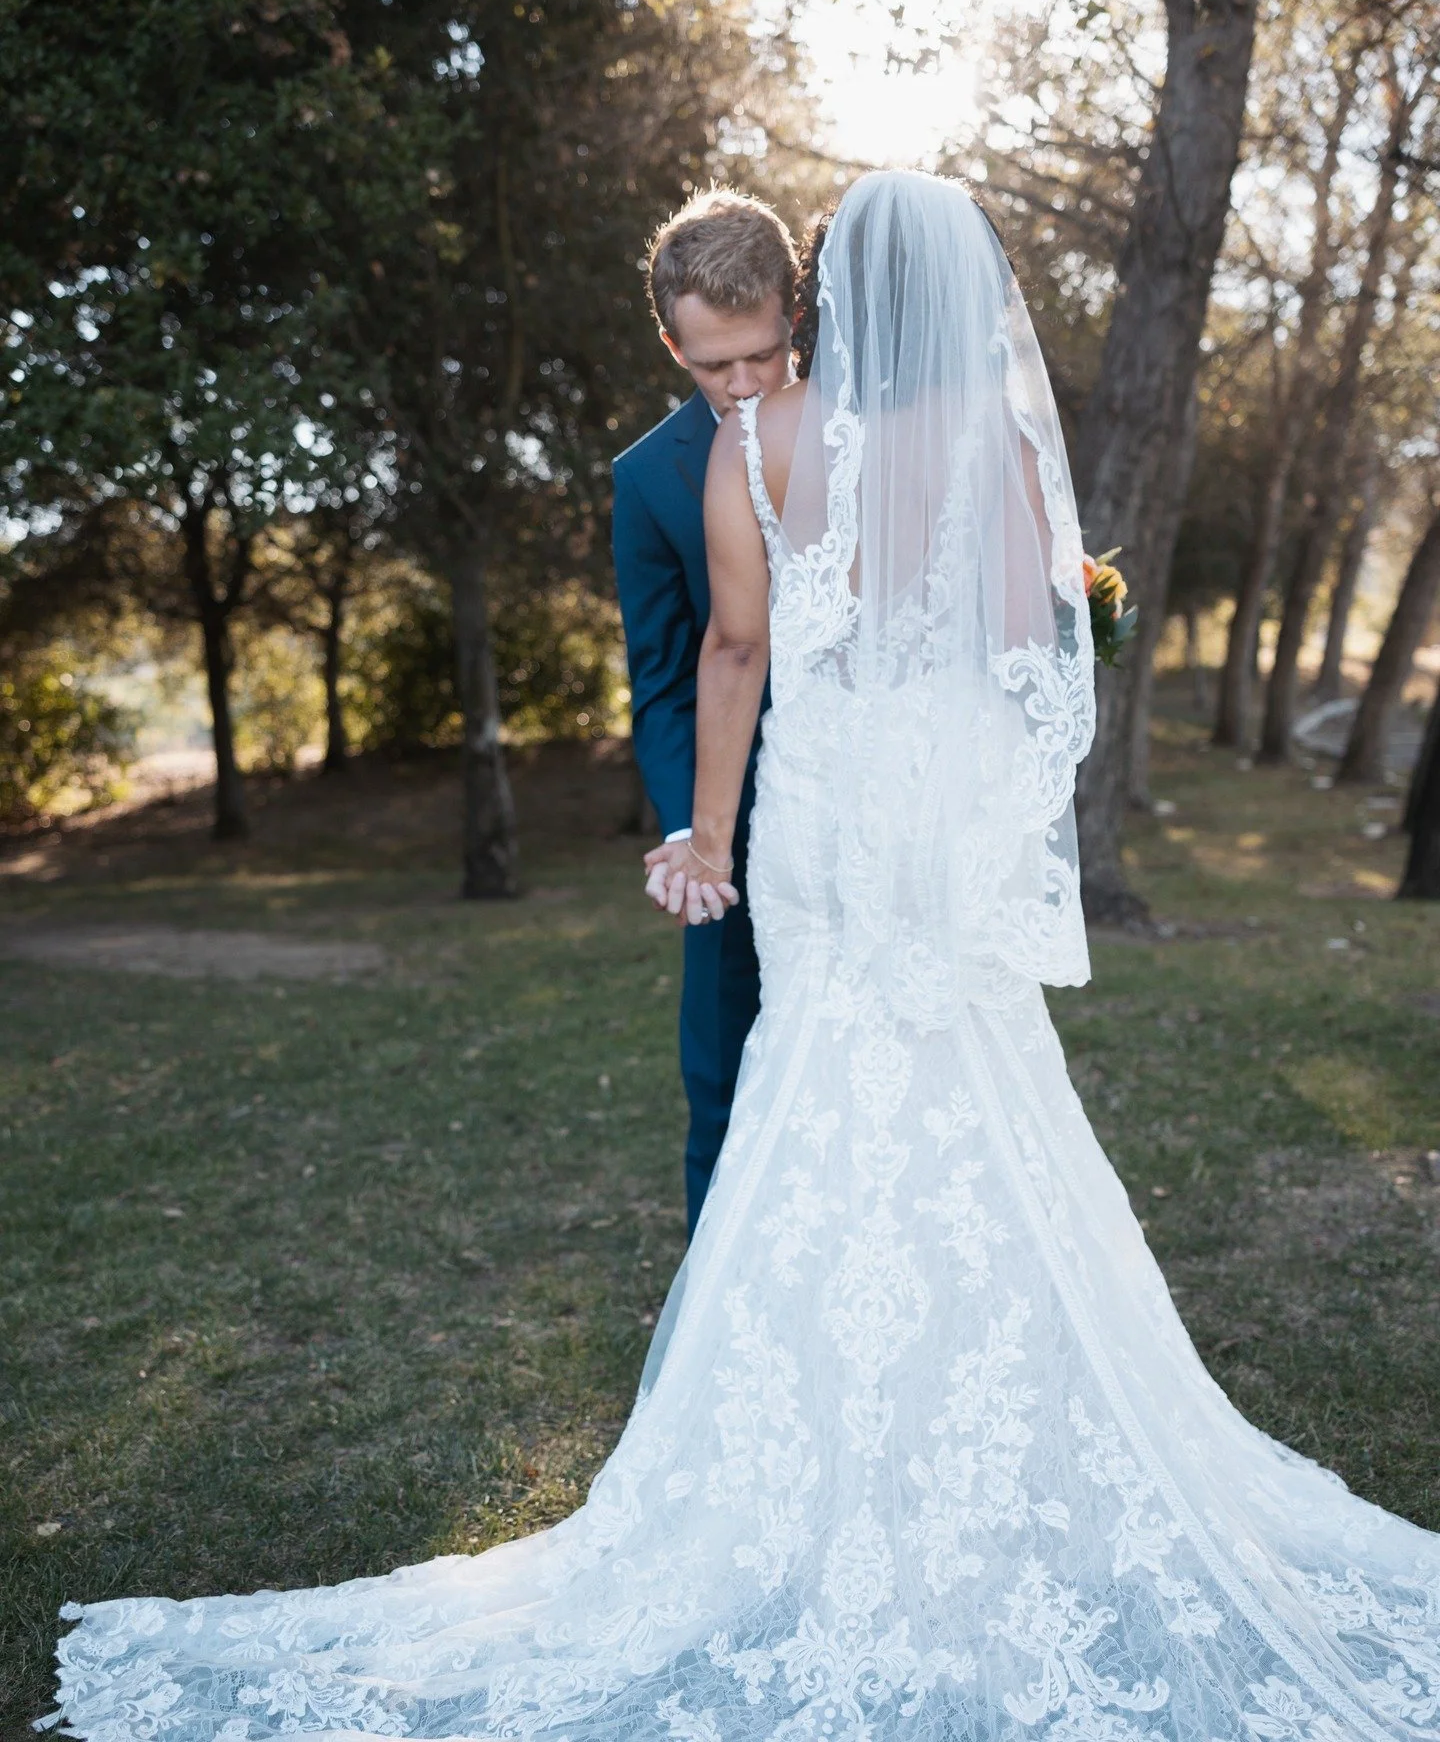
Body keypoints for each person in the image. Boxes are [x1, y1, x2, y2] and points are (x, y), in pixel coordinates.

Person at [49, 171, 1440, 1742]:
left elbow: (734, 651)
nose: (733, 379)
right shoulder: (994, 445)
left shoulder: (753, 449)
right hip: (933, 819)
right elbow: (1036, 639)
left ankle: (800, 1449)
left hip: (823, 818)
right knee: (981, 1090)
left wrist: (704, 838)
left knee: (815, 1083)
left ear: (820, 304)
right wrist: (979, 804)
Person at [610, 189, 797, 1237]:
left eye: (761, 356)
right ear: (671, 342)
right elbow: (666, 677)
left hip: (874, 809)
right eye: (710, 364)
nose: (739, 387)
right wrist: (693, 837)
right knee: (723, 1080)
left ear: (795, 318)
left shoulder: (871, 438)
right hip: (740, 825)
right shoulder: (646, 480)